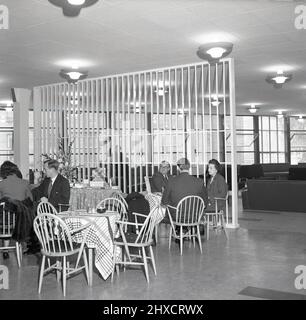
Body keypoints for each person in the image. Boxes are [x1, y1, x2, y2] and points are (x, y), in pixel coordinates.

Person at [0, 162, 33, 259]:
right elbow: (30, 201)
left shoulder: (1, 184)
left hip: (4, 223)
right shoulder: (25, 183)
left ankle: (5, 249)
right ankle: (21, 245)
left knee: (5, 217)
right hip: (20, 222)